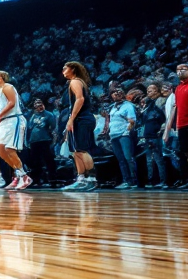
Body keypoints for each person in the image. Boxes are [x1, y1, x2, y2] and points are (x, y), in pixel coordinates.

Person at [61, 61, 99, 191]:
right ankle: (81, 179)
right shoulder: (75, 82)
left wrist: (71, 119)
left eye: (65, 68)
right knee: (76, 151)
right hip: (79, 119)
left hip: (82, 119)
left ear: (72, 69)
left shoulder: (75, 81)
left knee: (82, 150)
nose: (63, 71)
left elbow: (80, 99)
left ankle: (92, 179)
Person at [0, 71, 31, 190]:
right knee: (1, 151)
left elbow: (12, 103)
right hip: (4, 121)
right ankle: (18, 175)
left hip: (14, 119)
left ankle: (24, 176)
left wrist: (0, 115)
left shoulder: (8, 86)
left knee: (9, 149)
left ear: (2, 77)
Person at [104, 87, 138, 189]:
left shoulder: (128, 106)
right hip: (114, 135)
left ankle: (134, 180)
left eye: (118, 92)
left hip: (123, 135)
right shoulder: (112, 107)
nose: (116, 94)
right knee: (121, 159)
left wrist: (126, 132)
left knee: (128, 157)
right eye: (114, 93)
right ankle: (126, 180)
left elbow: (132, 121)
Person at [138, 84, 168, 189]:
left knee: (159, 159)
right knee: (149, 160)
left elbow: (165, 116)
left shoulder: (160, 101)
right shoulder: (148, 105)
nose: (148, 93)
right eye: (147, 90)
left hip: (156, 135)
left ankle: (163, 181)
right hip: (148, 135)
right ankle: (152, 181)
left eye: (150, 90)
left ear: (157, 91)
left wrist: (162, 129)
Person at [25, 99, 58, 187]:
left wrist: (50, 135)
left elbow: (53, 126)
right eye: (36, 104)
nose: (39, 106)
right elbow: (29, 126)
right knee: (35, 161)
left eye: (40, 104)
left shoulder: (49, 114)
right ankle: (36, 180)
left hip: (45, 139)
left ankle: (52, 179)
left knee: (48, 159)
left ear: (43, 104)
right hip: (34, 141)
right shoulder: (33, 115)